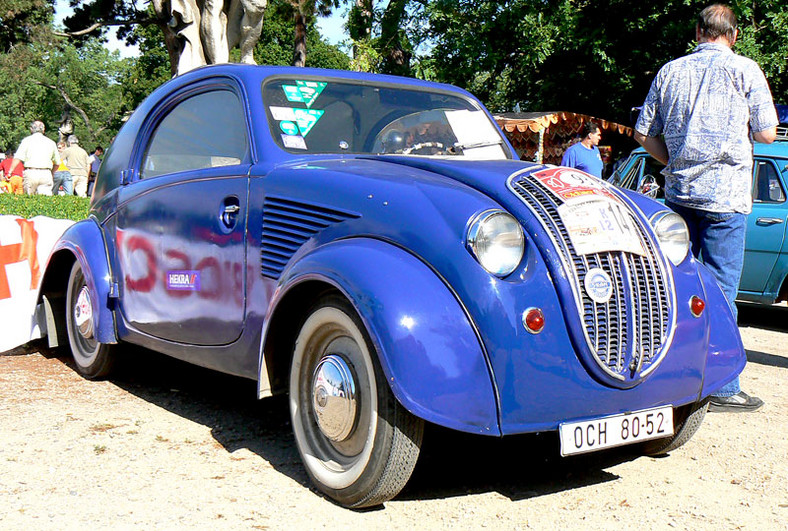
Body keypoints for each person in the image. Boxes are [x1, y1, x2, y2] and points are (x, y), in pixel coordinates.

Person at [634, 3, 778, 412]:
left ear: (698, 32)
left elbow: (643, 132)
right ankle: (722, 385)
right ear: (733, 35)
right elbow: (767, 133)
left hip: (679, 196)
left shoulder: (670, 71)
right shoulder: (746, 70)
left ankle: (665, 378)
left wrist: (674, 161)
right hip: (726, 200)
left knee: (671, 287)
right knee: (720, 293)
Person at [6, 120, 60, 195]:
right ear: (43, 130)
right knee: (46, 199)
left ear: (31, 129)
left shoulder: (26, 141)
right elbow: (57, 163)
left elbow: (18, 157)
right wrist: (52, 173)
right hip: (46, 173)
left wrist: (10, 172)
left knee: (29, 199)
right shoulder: (51, 142)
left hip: (31, 172)